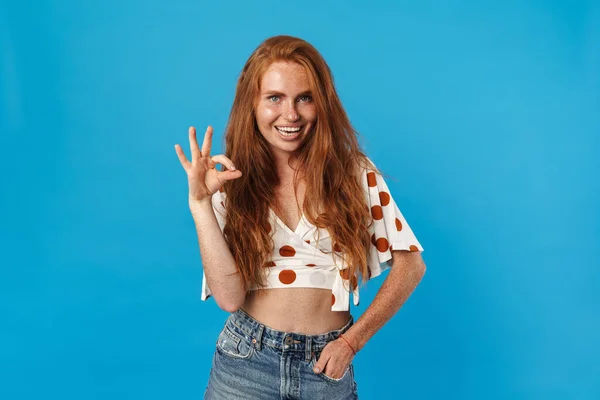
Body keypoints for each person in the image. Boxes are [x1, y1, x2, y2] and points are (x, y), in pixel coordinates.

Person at [174, 35, 426, 400]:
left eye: (304, 98)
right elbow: (228, 299)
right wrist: (200, 203)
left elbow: (411, 266)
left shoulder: (352, 174)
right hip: (245, 363)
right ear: (253, 104)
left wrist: (352, 343)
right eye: (274, 98)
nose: (290, 114)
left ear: (321, 103)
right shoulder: (227, 180)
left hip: (324, 368)